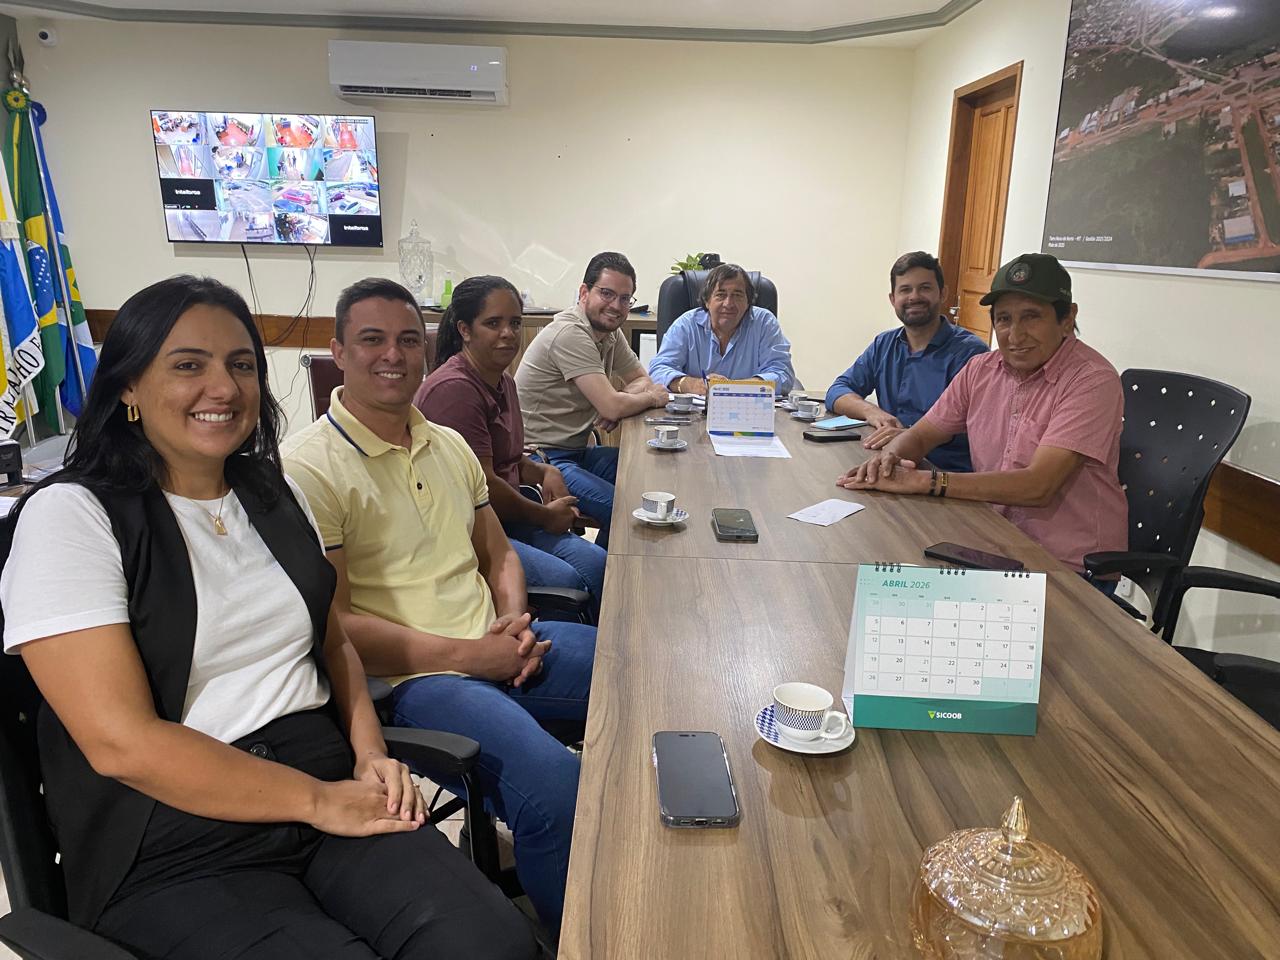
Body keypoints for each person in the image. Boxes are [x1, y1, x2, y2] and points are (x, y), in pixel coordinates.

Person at [0, 276, 535, 960]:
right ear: (128, 385)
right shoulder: (73, 516)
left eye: (242, 365)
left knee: (492, 941)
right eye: (188, 365)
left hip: (325, 777)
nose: (222, 388)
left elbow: (333, 639)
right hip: (174, 836)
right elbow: (120, 742)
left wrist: (370, 756)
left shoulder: (273, 493)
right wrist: (315, 799)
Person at [282, 277, 596, 933]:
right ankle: (581, 937)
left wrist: (511, 617)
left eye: (406, 340)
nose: (392, 355)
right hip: (414, 682)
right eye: (371, 340)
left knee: (640, 677)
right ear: (337, 351)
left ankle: (631, 869)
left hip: (496, 645)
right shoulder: (309, 468)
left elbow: (500, 553)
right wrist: (473, 657)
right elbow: (332, 625)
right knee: (558, 794)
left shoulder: (446, 444)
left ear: (426, 352)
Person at [837, 253, 1127, 588]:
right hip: (989, 539)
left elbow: (1038, 485)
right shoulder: (980, 369)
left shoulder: (1091, 380)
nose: (1015, 335)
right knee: (877, 579)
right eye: (1003, 319)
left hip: (1067, 567)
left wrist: (926, 482)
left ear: (1066, 318)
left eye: (1031, 317)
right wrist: (888, 460)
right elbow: (921, 436)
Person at [416, 274, 606, 613]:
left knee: (598, 563)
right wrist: (545, 517)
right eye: (493, 323)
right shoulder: (454, 391)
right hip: (472, 533)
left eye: (515, 323)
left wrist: (543, 471)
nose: (508, 333)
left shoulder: (503, 381)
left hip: (510, 519)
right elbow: (484, 486)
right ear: (464, 330)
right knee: (572, 578)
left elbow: (510, 459)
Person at [514, 252, 668, 548]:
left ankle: (617, 564)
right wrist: (648, 399)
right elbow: (630, 398)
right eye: (607, 294)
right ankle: (611, 583)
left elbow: (640, 379)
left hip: (576, 452)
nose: (616, 306)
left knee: (650, 475)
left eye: (625, 298)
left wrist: (621, 399)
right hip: (541, 459)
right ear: (584, 292)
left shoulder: (608, 332)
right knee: (626, 510)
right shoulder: (571, 333)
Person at [824, 251, 987, 471]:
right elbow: (837, 391)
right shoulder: (885, 344)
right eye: (905, 290)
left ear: (943, 294)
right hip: (892, 463)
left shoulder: (970, 353)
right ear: (893, 299)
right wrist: (873, 413)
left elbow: (977, 427)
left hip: (944, 474)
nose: (914, 297)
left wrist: (911, 435)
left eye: (925, 288)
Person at [648, 263, 795, 396]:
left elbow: (783, 374)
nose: (729, 303)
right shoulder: (686, 325)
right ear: (707, 300)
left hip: (751, 414)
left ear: (748, 302)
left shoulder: (764, 323)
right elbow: (658, 370)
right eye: (721, 295)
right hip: (694, 415)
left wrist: (732, 388)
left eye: (737, 295)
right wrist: (692, 385)